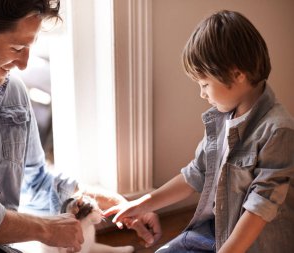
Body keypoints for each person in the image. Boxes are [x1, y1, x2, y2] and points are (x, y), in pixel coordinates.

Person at [0, 0, 161, 252]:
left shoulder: (12, 93)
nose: (23, 64)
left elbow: (35, 182)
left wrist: (111, 202)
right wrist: (43, 228)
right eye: (17, 47)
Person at [104, 10, 294, 253]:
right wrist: (141, 204)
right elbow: (196, 173)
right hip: (213, 232)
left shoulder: (279, 131)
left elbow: (259, 209)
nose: (202, 94)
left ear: (237, 74)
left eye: (204, 84)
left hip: (250, 244)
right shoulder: (222, 119)